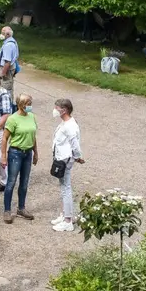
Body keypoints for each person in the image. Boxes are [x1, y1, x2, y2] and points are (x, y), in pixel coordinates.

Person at [1, 94, 39, 223]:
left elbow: (33, 136)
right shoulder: (12, 119)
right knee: (11, 182)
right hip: (15, 153)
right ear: (21, 105)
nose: (30, 106)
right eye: (28, 103)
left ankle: (21, 208)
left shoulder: (32, 117)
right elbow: (5, 138)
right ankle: (7, 210)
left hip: (28, 153)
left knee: (24, 182)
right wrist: (4, 157)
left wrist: (35, 152)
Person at [49, 98, 84, 231]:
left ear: (64, 110)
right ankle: (64, 215)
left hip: (65, 159)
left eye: (57, 108)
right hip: (61, 157)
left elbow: (75, 144)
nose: (55, 110)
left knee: (66, 189)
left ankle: (68, 220)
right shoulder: (66, 123)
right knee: (63, 188)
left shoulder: (69, 126)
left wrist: (78, 157)